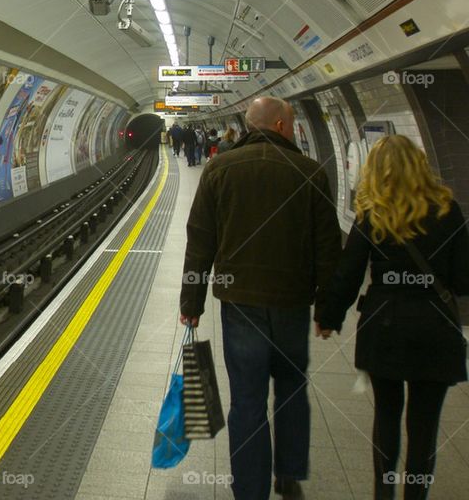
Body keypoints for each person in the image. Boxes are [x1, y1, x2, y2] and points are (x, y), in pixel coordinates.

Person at [180, 96, 342, 500]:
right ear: (284, 127)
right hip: (292, 303)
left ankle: (250, 491)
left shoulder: (220, 169)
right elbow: (328, 250)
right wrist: (328, 309)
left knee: (247, 398)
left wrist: (191, 303)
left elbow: (200, 242)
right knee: (291, 389)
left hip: (241, 304)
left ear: (250, 126)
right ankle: (288, 476)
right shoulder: (309, 173)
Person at [317, 136, 468, 500]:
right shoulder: (449, 210)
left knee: (386, 417)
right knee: (424, 426)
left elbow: (348, 273)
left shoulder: (373, 213)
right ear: (420, 165)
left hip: (385, 327)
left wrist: (328, 316)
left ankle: (383, 495)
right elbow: (464, 278)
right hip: (435, 328)